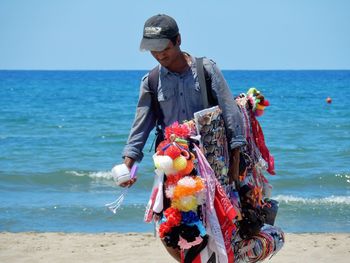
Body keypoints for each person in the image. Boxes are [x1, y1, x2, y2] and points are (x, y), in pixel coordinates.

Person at [121, 14, 246, 261]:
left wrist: (236, 156)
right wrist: (128, 163)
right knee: (170, 227)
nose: (159, 55)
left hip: (211, 163)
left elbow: (230, 110)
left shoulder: (205, 69)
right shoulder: (151, 81)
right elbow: (141, 124)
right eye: (153, 51)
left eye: (164, 49)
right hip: (173, 166)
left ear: (178, 40)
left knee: (216, 223)